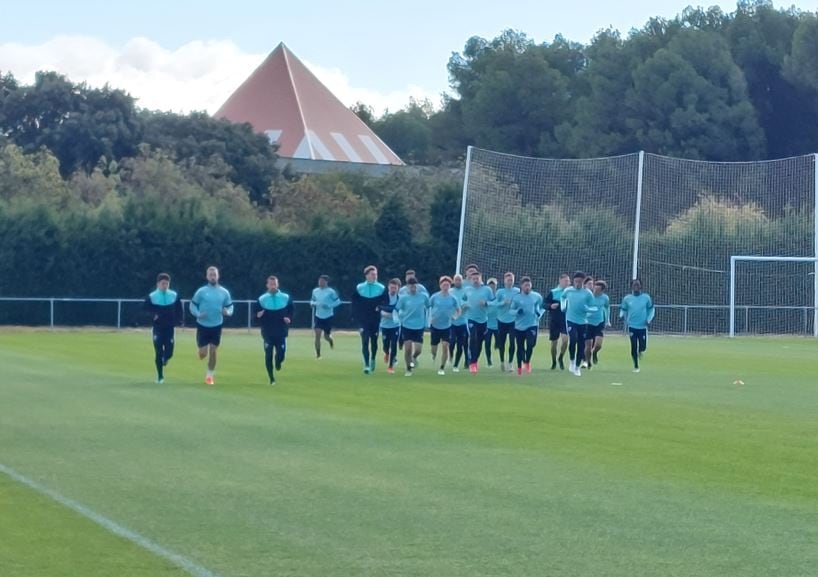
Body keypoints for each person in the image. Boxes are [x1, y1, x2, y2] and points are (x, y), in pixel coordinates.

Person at [189, 266, 234, 385]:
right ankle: (200, 351)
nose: (213, 277)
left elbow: (230, 306)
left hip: (217, 325)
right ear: (207, 276)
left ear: (218, 276)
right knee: (203, 354)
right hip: (203, 325)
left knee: (213, 351)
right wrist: (198, 314)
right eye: (210, 275)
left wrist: (227, 312)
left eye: (214, 274)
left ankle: (209, 376)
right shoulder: (201, 291)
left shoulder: (224, 292)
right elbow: (192, 305)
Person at [143, 272, 184, 384]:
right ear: (158, 284)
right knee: (158, 351)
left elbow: (179, 309)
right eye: (163, 284)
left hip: (169, 328)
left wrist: (179, 320)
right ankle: (160, 376)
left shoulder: (174, 295)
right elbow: (144, 310)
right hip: (158, 328)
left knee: (170, 351)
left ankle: (166, 358)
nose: (165, 286)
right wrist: (152, 315)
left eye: (167, 284)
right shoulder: (152, 297)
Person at [351, 265, 389, 374]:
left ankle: (373, 359)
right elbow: (354, 302)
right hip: (363, 319)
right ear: (366, 275)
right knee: (365, 341)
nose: (374, 276)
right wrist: (353, 315)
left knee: (374, 341)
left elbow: (385, 302)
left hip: (375, 319)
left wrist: (381, 307)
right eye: (372, 274)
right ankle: (366, 364)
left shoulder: (381, 288)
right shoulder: (359, 288)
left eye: (376, 274)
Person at [256, 276, 293, 385]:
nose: (272, 286)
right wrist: (258, 316)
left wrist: (289, 319)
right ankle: (271, 378)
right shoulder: (262, 299)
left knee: (281, 353)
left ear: (277, 285)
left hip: (281, 331)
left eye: (274, 284)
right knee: (268, 355)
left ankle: (278, 362)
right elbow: (255, 315)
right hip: (267, 332)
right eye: (270, 284)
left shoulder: (285, 297)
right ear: (267, 285)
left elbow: (291, 311)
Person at [560, 271, 596, 377]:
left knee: (581, 344)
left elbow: (594, 307)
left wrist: (588, 309)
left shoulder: (588, 293)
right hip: (571, 320)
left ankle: (577, 366)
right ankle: (572, 361)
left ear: (583, 282)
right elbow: (563, 297)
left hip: (583, 321)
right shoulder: (568, 290)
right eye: (576, 281)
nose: (577, 284)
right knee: (573, 339)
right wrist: (563, 305)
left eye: (580, 282)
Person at [395, 278, 430, 376]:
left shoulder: (423, 297)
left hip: (419, 326)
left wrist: (428, 321)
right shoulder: (403, 298)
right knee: (408, 349)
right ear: (407, 287)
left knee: (418, 350)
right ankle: (408, 368)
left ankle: (414, 358)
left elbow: (428, 307)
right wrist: (398, 319)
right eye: (411, 286)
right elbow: (397, 309)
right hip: (406, 325)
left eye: (414, 286)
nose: (413, 288)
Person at [463, 269, 495, 374]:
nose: (475, 280)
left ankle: (475, 361)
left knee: (480, 342)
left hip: (483, 319)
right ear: (471, 280)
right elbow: (463, 300)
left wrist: (486, 303)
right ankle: (472, 362)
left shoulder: (487, 290)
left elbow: (493, 301)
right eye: (473, 279)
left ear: (481, 279)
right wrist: (464, 305)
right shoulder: (467, 289)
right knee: (473, 337)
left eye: (477, 278)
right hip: (471, 318)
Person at [619, 279, 655, 373]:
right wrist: (621, 315)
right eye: (634, 285)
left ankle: (640, 351)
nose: (636, 287)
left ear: (641, 286)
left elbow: (651, 309)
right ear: (631, 287)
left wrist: (649, 319)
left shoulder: (646, 298)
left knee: (643, 346)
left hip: (642, 326)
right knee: (633, 345)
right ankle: (636, 365)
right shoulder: (627, 298)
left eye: (637, 285)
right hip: (632, 326)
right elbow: (623, 309)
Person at [510, 277, 544, 375]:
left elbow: (542, 307)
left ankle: (527, 362)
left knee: (530, 344)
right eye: (525, 285)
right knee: (520, 347)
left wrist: (539, 313)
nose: (527, 287)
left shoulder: (537, 296)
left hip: (532, 324)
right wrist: (517, 311)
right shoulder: (516, 298)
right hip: (519, 326)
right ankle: (520, 367)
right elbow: (510, 310)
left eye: (529, 285)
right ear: (521, 286)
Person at [429, 276, 461, 375]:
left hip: (447, 326)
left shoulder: (453, 298)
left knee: (445, 346)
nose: (445, 287)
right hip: (435, 326)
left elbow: (458, 310)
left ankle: (442, 367)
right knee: (434, 348)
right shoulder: (434, 297)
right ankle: (433, 355)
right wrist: (430, 319)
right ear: (440, 286)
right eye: (444, 285)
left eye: (447, 285)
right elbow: (428, 308)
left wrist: (455, 316)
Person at [494, 272, 520, 372]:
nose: (510, 282)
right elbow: (495, 304)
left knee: (513, 342)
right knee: (502, 342)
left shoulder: (517, 291)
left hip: (513, 321)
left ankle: (510, 363)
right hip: (502, 320)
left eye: (512, 280)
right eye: (508, 280)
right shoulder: (500, 292)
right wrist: (503, 303)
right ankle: (502, 361)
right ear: (504, 280)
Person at [310, 274, 340, 359]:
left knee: (326, 336)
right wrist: (312, 304)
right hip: (318, 316)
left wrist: (329, 306)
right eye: (319, 281)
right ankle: (318, 354)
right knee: (317, 335)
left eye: (322, 281)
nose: (320, 282)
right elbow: (312, 300)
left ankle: (330, 340)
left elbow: (338, 301)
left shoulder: (331, 291)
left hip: (328, 316)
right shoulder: (315, 291)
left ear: (326, 282)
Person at [545, 274, 570, 370]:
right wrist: (550, 306)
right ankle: (554, 361)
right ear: (560, 281)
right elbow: (544, 303)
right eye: (565, 281)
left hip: (566, 321)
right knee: (554, 343)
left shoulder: (570, 292)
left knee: (565, 341)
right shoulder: (553, 292)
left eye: (568, 281)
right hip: (554, 321)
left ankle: (561, 358)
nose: (567, 283)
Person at [584, 279, 611, 368]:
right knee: (588, 345)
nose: (595, 290)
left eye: (598, 289)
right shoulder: (588, 296)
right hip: (588, 322)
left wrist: (607, 320)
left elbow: (607, 308)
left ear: (602, 290)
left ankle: (594, 352)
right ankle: (588, 362)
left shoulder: (605, 298)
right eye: (595, 288)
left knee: (598, 345)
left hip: (599, 322)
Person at [449, 273, 470, 372]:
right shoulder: (450, 291)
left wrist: (462, 308)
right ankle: (450, 355)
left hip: (462, 322)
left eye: (459, 280)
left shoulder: (466, 292)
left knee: (462, 344)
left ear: (462, 281)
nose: (458, 281)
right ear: (453, 281)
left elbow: (467, 304)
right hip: (452, 322)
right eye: (456, 280)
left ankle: (459, 363)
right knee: (452, 341)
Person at [380, 278, 401, 374]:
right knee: (385, 346)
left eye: (395, 288)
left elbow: (399, 310)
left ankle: (390, 366)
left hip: (395, 325)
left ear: (398, 288)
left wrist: (389, 311)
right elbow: (380, 308)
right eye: (391, 287)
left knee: (393, 345)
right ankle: (387, 353)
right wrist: (390, 312)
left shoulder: (400, 299)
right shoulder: (383, 297)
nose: (393, 289)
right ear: (388, 287)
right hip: (384, 326)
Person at [483, 277, 499, 368]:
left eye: (493, 285)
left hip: (498, 324)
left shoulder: (499, 295)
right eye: (490, 285)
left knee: (499, 343)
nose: (492, 287)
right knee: (487, 343)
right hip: (487, 324)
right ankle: (489, 361)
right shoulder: (484, 296)